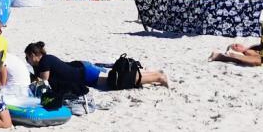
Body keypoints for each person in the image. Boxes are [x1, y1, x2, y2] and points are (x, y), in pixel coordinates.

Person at [25, 42, 170, 99]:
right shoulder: (46, 59)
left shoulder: (44, 62)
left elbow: (43, 83)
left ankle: (158, 77)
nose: (27, 61)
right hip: (83, 67)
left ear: (33, 55)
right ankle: (152, 73)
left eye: (27, 58)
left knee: (117, 82)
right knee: (116, 77)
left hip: (85, 74)